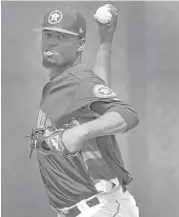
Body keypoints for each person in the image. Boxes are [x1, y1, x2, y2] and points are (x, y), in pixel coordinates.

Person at [31, 5, 140, 217]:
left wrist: (79, 132)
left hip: (99, 208)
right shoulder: (61, 83)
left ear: (80, 44)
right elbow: (97, 96)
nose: (51, 41)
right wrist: (105, 42)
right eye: (47, 34)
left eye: (62, 37)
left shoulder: (77, 80)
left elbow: (127, 114)